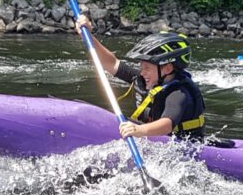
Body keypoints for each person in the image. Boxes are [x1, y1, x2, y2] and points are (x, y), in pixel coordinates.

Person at [75, 15, 206, 141]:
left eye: (147, 68)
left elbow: (167, 125)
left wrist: (139, 130)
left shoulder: (179, 93)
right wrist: (87, 36)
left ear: (167, 68)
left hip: (183, 148)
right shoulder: (146, 78)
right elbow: (112, 63)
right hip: (152, 136)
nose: (142, 73)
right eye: (142, 67)